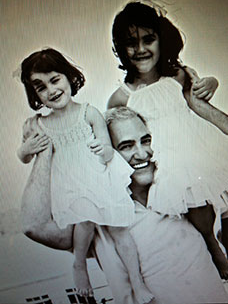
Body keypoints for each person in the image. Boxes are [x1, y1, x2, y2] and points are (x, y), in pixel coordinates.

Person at [20, 107, 228, 303]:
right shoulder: (99, 219)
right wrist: (44, 150)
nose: (142, 153)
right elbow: (34, 225)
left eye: (146, 140)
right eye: (126, 146)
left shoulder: (180, 196)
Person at [107, 0, 228, 280]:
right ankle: (211, 243)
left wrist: (212, 82)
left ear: (161, 39)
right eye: (131, 43)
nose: (140, 50)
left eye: (148, 39)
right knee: (196, 202)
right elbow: (118, 128)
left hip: (198, 141)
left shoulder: (177, 74)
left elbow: (201, 87)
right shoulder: (122, 96)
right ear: (121, 49)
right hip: (167, 153)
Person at [17, 48, 154, 304]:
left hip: (98, 178)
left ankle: (138, 282)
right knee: (85, 218)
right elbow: (24, 156)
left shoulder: (88, 113)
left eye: (55, 80)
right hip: (72, 185)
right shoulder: (40, 124)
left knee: (120, 232)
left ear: (69, 77)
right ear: (35, 95)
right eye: (41, 87)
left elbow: (106, 149)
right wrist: (26, 149)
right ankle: (79, 265)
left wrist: (102, 149)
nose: (51, 90)